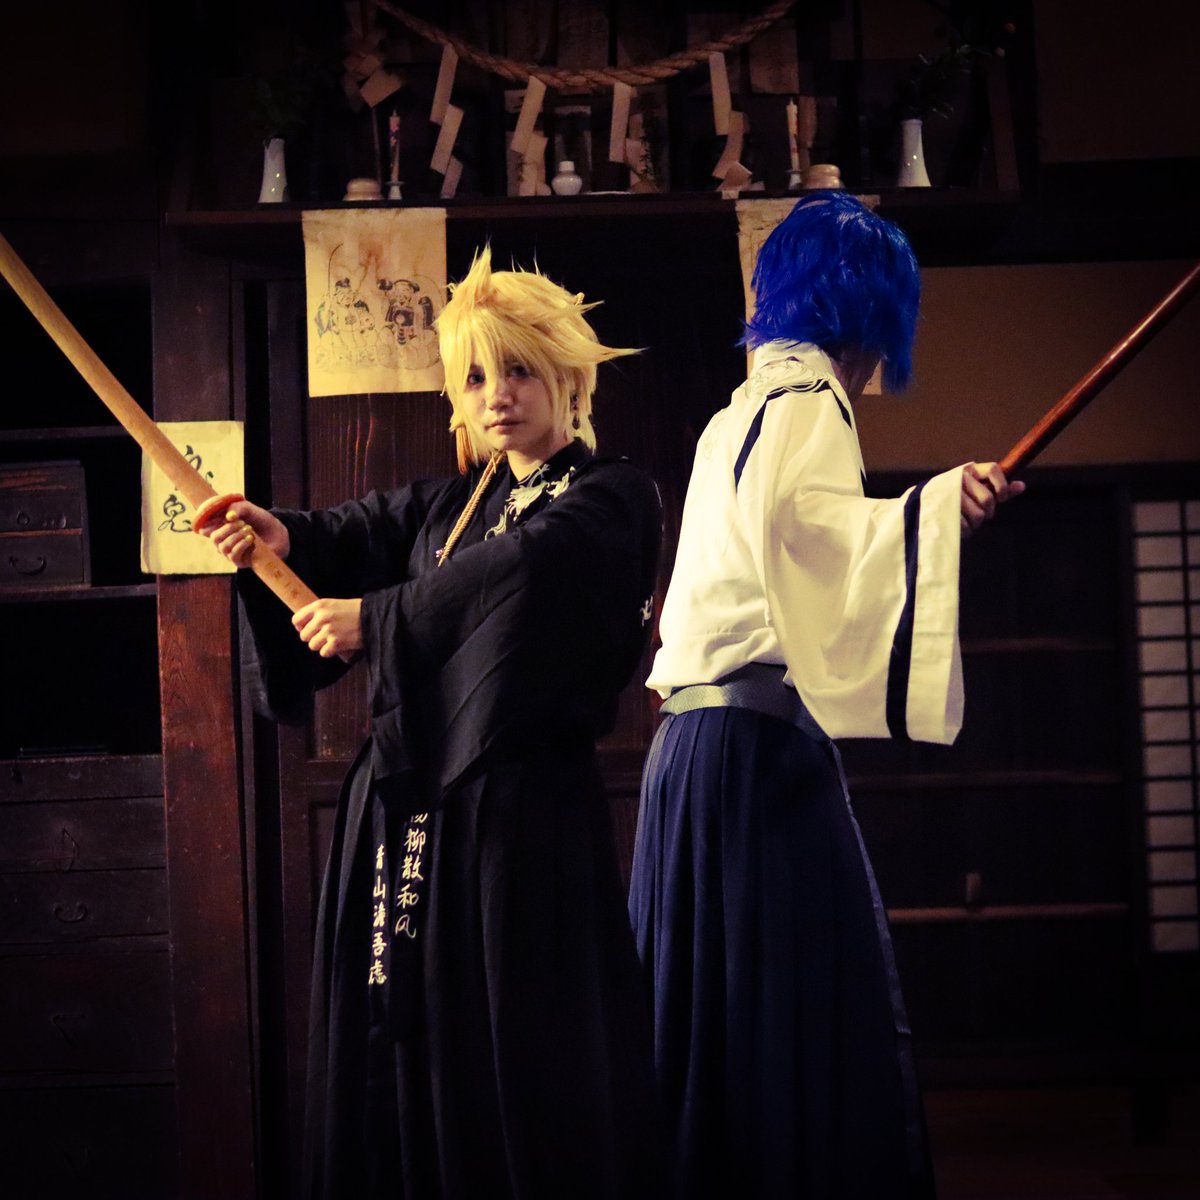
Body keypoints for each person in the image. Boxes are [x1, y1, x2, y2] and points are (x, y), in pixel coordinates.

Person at [205, 248, 663, 1199]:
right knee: (405, 1038)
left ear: (570, 376)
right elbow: (362, 529)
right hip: (411, 813)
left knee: (516, 1039)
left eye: (520, 368)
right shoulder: (456, 504)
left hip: (520, 822)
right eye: (477, 377)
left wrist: (376, 619)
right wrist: (284, 535)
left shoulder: (610, 498)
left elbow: (519, 571)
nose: (498, 396)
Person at [627, 192, 1024, 1198]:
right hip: (753, 753)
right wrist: (940, 508)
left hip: (692, 753)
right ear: (870, 310)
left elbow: (784, 553)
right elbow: (812, 542)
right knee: (809, 995)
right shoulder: (809, 404)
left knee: (712, 1010)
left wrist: (928, 511)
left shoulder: (737, 413)